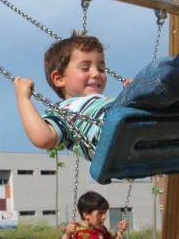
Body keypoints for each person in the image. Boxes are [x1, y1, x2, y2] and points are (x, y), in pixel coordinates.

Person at [13, 30, 179, 161]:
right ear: (59, 78)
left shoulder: (102, 102)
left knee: (155, 86)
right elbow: (43, 139)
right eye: (85, 68)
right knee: (159, 69)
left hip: (151, 129)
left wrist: (134, 89)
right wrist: (23, 98)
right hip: (115, 132)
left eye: (101, 69)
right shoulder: (63, 111)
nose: (96, 74)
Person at [57, 191, 128, 239]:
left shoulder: (102, 230)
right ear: (86, 215)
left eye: (105, 213)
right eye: (100, 213)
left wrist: (119, 231)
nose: (104, 217)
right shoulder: (75, 230)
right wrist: (67, 233)